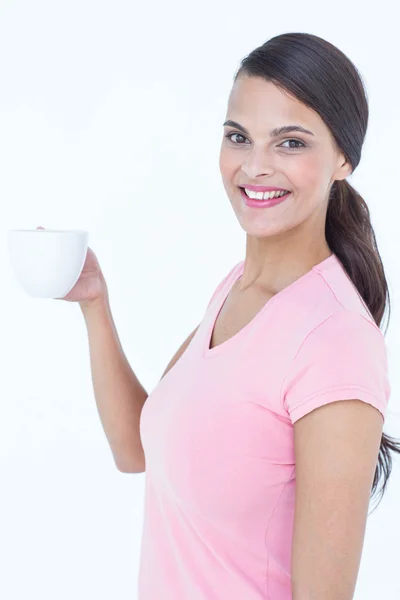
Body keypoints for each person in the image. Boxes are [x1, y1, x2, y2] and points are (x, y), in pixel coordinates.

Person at [43, 32, 400, 600]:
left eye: (290, 143)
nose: (255, 166)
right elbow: (138, 449)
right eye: (239, 137)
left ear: (343, 159)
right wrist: (95, 304)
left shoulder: (334, 340)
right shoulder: (237, 287)